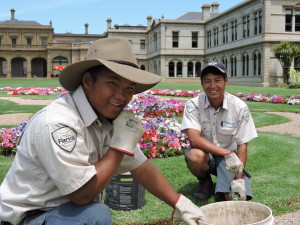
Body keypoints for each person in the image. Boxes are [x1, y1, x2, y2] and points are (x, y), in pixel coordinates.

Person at [0, 38, 206, 225]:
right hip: (29, 217)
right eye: (113, 83)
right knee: (95, 215)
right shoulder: (58, 123)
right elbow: (82, 195)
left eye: (129, 88)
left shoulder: (104, 116)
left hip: (59, 212)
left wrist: (181, 204)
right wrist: (120, 146)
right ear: (88, 81)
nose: (121, 95)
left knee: (92, 213)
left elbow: (141, 166)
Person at [180, 62, 257, 202]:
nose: (212, 86)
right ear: (202, 83)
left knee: (232, 197)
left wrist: (238, 175)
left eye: (217, 80)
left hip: (228, 160)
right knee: (194, 156)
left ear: (226, 81)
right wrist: (226, 153)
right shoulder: (193, 105)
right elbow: (194, 139)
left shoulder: (239, 107)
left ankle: (225, 186)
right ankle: (205, 182)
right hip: (206, 155)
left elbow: (242, 144)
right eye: (207, 81)